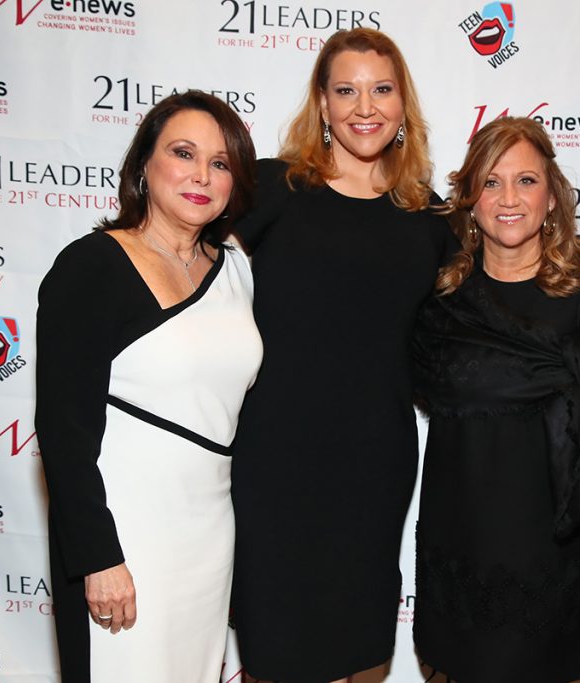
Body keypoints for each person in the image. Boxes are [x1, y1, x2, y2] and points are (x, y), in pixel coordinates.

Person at [230, 28, 453, 683]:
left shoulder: (429, 215)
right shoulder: (272, 188)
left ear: (403, 103)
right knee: (273, 649)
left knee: (361, 650)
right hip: (273, 457)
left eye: (382, 89)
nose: (365, 106)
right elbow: (187, 269)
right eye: (346, 89)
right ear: (322, 105)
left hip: (374, 461)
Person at [35, 90, 262, 682]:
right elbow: (63, 432)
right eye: (183, 153)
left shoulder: (236, 268)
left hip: (210, 537)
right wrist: (98, 557)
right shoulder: (92, 266)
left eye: (220, 163)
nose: (201, 175)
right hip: (126, 536)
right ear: (144, 164)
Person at [411, 116, 580, 683]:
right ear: (470, 198)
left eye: (525, 181)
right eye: (491, 182)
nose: (508, 199)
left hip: (558, 539)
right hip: (465, 535)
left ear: (551, 196)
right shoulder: (439, 295)